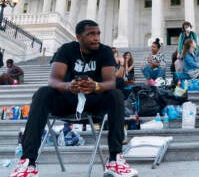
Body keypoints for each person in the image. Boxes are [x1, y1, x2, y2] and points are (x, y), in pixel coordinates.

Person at [8, 20, 138, 177]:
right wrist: (69, 86)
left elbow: (110, 82)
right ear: (78, 37)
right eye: (90, 34)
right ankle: (28, 162)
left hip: (94, 102)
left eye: (98, 34)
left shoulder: (104, 52)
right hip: (68, 100)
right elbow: (54, 80)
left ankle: (115, 159)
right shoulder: (67, 50)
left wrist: (95, 86)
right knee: (42, 93)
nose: (96, 38)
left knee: (116, 94)